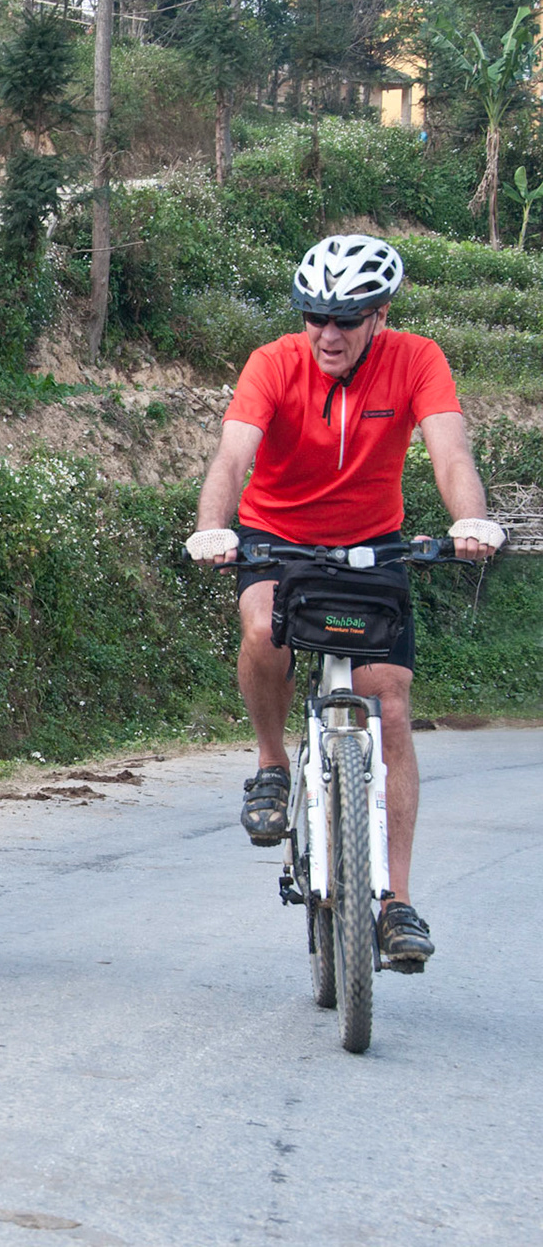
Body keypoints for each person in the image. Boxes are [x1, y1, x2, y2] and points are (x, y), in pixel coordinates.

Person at [186, 234, 505, 966]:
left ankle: (396, 902)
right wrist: (213, 528)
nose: (328, 334)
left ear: (381, 315)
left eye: (347, 319)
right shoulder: (273, 363)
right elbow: (232, 456)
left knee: (390, 702)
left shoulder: (418, 359)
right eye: (314, 317)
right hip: (278, 538)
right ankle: (271, 762)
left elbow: (450, 451)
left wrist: (467, 519)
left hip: (373, 544)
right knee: (265, 629)